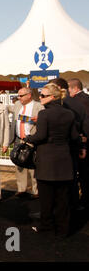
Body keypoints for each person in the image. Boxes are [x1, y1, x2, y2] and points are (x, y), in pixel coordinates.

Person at [25, 83, 80, 238]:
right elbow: (74, 137)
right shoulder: (69, 114)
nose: (40, 98)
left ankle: (47, 228)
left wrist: (28, 138)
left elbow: (40, 136)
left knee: (46, 199)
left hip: (47, 161)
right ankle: (63, 230)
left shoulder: (44, 114)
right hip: (64, 160)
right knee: (63, 199)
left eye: (43, 95)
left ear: (53, 97)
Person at [51, 78, 88, 211]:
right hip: (75, 146)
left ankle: (65, 208)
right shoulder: (77, 103)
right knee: (74, 178)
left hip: (62, 148)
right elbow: (85, 126)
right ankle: (74, 205)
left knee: (63, 182)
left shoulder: (61, 104)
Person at [8, 87, 44, 199]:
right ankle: (21, 189)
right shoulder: (17, 105)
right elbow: (8, 109)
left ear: (29, 95)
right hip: (19, 139)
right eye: (18, 95)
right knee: (19, 165)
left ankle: (36, 190)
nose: (19, 98)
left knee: (33, 165)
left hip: (32, 139)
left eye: (21, 95)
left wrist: (39, 119)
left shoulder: (39, 106)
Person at [67, 78, 89, 209]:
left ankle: (84, 202)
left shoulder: (78, 102)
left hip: (82, 144)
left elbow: (85, 124)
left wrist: (84, 142)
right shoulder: (86, 99)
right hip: (83, 142)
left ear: (74, 89)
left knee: (83, 175)